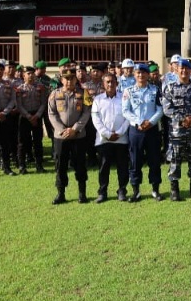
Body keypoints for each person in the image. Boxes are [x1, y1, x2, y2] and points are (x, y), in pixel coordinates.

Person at [162, 60, 191, 201]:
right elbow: (167, 108)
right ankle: (174, 191)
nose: (184, 71)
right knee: (175, 160)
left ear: (190, 70)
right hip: (177, 132)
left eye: (187, 68)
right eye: (181, 68)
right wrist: (182, 119)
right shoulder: (170, 88)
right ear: (176, 69)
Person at [122, 63, 165, 202]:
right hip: (136, 131)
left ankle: (155, 190)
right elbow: (125, 111)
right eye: (138, 73)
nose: (141, 75)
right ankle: (136, 191)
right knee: (135, 161)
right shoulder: (128, 91)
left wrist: (150, 122)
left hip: (152, 130)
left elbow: (160, 109)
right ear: (134, 74)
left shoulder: (155, 90)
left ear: (147, 74)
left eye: (143, 73)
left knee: (154, 160)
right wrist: (139, 122)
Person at [48, 69, 91, 204]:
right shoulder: (54, 94)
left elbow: (86, 112)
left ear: (75, 79)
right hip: (61, 137)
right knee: (60, 165)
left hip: (78, 136)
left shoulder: (84, 93)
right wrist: (62, 130)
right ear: (61, 80)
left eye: (72, 78)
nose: (69, 81)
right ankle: (60, 193)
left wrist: (74, 129)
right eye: (66, 78)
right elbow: (52, 114)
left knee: (80, 164)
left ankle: (82, 193)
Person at [91, 73, 130, 202]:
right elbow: (96, 119)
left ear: (116, 83)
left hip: (121, 139)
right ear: (103, 84)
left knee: (122, 167)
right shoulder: (98, 100)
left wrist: (119, 133)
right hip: (103, 139)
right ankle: (102, 192)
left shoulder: (124, 98)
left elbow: (128, 117)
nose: (110, 84)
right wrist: (107, 134)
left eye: (112, 81)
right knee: (104, 167)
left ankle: (122, 190)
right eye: (107, 82)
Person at [15, 66, 49, 174]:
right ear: (23, 75)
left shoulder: (40, 87)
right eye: (28, 73)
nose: (30, 75)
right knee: (22, 142)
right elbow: (19, 105)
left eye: (32, 73)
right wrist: (29, 116)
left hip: (37, 116)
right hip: (24, 117)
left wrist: (37, 115)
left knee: (38, 141)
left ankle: (39, 165)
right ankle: (22, 166)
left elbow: (43, 103)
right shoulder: (19, 89)